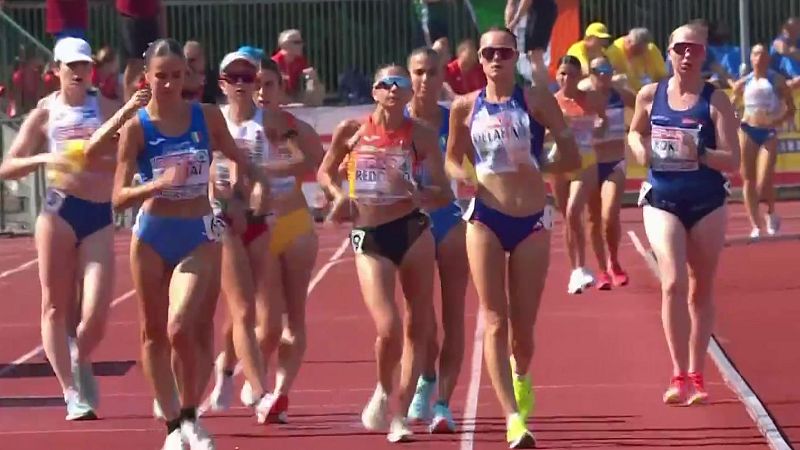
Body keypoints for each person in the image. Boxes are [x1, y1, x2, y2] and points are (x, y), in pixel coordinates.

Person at [89, 38, 270, 449]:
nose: (170, 84)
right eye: (161, 76)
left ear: (186, 76)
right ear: (146, 78)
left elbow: (240, 159)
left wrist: (253, 188)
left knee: (182, 325)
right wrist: (157, 184)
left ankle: (190, 413)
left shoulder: (206, 117)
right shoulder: (137, 128)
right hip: (152, 234)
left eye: (177, 75)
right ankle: (173, 426)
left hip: (198, 233)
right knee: (154, 333)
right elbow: (118, 197)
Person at [445, 27, 580, 448]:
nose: (496, 59)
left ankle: (521, 374)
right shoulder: (464, 107)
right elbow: (451, 159)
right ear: (480, 58)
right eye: (489, 53)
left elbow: (571, 153)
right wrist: (466, 176)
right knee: (494, 319)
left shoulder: (537, 100)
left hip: (531, 220)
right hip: (485, 217)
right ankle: (512, 418)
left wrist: (542, 165)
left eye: (504, 52)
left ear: (515, 55)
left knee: (522, 329)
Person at [318, 63, 450, 443]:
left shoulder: (421, 135)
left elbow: (443, 190)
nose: (393, 89)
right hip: (370, 235)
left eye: (400, 83)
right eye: (385, 83)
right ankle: (382, 388)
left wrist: (420, 193)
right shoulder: (352, 130)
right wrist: (339, 195)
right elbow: (325, 172)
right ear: (374, 91)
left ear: (409, 93)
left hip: (412, 231)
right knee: (388, 329)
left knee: (417, 326)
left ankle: (401, 414)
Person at [0, 37, 126, 421]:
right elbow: (7, 167)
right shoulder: (45, 114)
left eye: (84, 65)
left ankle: (79, 356)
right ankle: (71, 393)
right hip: (59, 212)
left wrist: (108, 160)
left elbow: (130, 153)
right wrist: (46, 157)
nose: (78, 72)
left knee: (96, 311)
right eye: (71, 66)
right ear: (56, 70)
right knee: (54, 305)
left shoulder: (108, 108)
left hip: (98, 213)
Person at [628, 24, 740, 406]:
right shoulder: (650, 95)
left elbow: (733, 159)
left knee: (699, 288)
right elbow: (634, 133)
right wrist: (640, 149)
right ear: (669, 52)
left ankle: (697, 373)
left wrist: (700, 154)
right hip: (662, 199)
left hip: (707, 202)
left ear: (705, 53)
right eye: (681, 48)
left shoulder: (716, 100)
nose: (688, 54)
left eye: (695, 48)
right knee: (672, 282)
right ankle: (678, 375)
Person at [210, 55, 324, 424]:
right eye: (249, 82)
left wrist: (262, 171)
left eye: (265, 84)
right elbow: (213, 167)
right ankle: (232, 368)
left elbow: (311, 160)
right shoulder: (219, 122)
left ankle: (278, 392)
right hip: (244, 221)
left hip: (290, 221)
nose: (258, 90)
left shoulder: (283, 125)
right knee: (257, 316)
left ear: (278, 87)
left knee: (293, 317)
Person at [404, 47, 469, 434]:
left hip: (449, 219)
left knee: (454, 315)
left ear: (442, 77)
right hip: (410, 224)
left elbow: (469, 161)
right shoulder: (397, 120)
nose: (425, 80)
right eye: (418, 72)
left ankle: (443, 402)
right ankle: (426, 377)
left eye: (432, 72)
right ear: (408, 75)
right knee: (419, 317)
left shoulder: (452, 119)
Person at [550, 55, 608, 294]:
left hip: (585, 161)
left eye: (572, 75)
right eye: (562, 74)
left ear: (579, 77)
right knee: (568, 218)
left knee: (574, 211)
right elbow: (542, 130)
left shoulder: (591, 99)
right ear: (556, 75)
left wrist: (600, 127)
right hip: (559, 163)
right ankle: (575, 270)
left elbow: (603, 119)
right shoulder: (552, 102)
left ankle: (582, 266)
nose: (566, 79)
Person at [731, 44, 795, 238]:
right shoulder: (744, 82)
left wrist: (777, 120)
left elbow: (791, 108)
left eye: (762, 54)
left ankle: (771, 212)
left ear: (768, 58)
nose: (759, 57)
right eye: (755, 54)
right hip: (747, 130)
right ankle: (756, 225)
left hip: (768, 132)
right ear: (751, 58)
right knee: (748, 179)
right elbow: (731, 104)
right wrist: (734, 115)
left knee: (764, 179)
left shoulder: (777, 81)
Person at [583, 56, 636, 289]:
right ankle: (602, 270)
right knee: (593, 218)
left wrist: (635, 130)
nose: (603, 74)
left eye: (607, 69)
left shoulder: (620, 95)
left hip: (614, 163)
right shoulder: (583, 97)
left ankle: (614, 261)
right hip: (590, 164)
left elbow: (644, 108)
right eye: (598, 70)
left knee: (609, 214)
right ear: (590, 73)